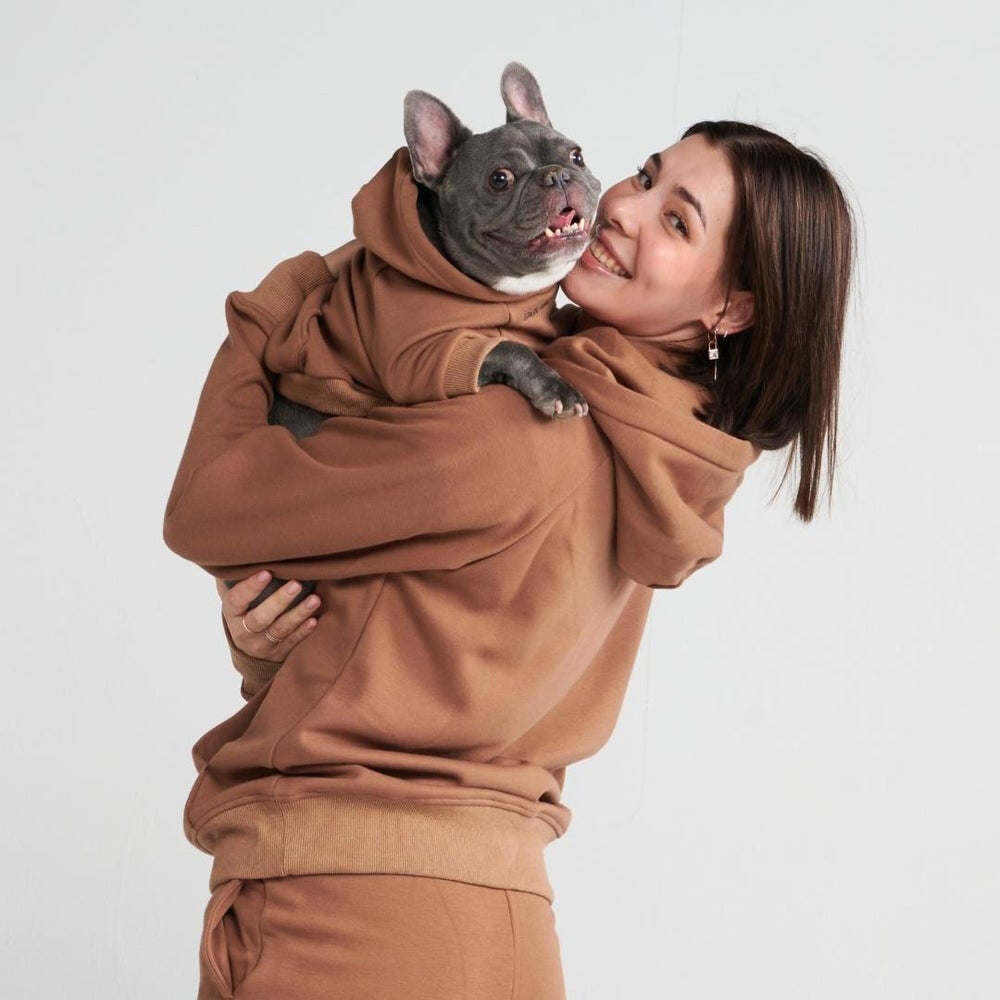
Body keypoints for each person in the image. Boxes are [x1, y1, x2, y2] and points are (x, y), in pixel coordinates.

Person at [164, 121, 854, 1000]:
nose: (624, 210)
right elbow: (443, 660)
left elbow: (207, 507)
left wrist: (268, 309)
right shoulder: (652, 446)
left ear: (731, 310)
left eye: (678, 222)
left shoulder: (520, 428)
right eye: (644, 176)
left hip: (355, 920)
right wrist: (270, 649)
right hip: (495, 921)